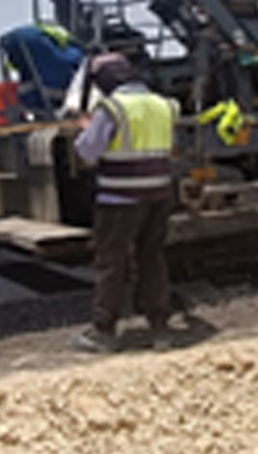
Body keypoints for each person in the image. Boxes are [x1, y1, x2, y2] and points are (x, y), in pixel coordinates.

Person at [70, 53, 180, 353]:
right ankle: (160, 329)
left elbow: (87, 152)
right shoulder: (164, 105)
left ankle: (104, 331)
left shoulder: (113, 108)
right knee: (151, 258)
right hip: (158, 194)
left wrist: (85, 128)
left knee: (112, 263)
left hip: (119, 199)